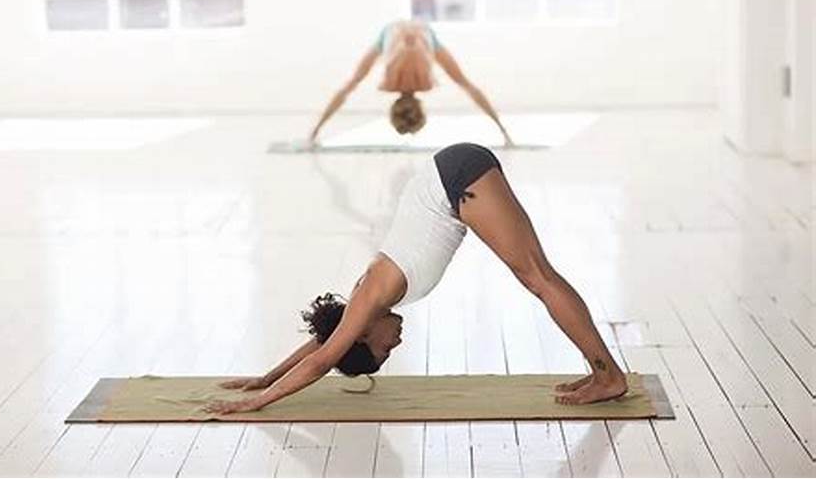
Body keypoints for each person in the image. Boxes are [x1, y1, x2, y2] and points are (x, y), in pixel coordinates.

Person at [204, 143, 628, 415]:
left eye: (385, 349)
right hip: (454, 179)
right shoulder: (364, 305)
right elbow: (326, 342)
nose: (397, 343)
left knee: (538, 278)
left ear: (363, 334)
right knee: (537, 278)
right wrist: (266, 377)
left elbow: (324, 358)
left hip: (457, 180)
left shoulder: (371, 295)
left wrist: (259, 402)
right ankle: (601, 372)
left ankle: (608, 376)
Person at [308, 20, 514, 146]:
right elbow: (470, 88)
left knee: (457, 79)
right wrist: (503, 130)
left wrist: (315, 131)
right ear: (393, 110)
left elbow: (345, 91)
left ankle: (408, 47)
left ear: (421, 109)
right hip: (397, 35)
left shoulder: (425, 84)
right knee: (460, 81)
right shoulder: (390, 85)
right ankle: (407, 47)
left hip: (420, 36)